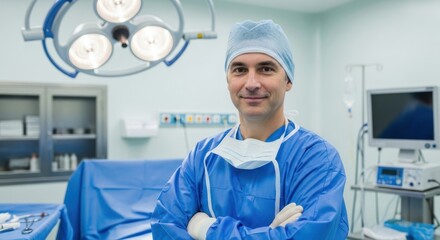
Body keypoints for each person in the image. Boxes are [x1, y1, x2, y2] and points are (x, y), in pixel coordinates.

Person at [151, 19, 349, 239]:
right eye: (240, 70)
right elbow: (165, 226)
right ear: (228, 80)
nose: (252, 83)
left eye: (266, 68)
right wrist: (272, 235)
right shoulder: (203, 157)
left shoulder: (315, 159)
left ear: (288, 80)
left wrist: (205, 228)